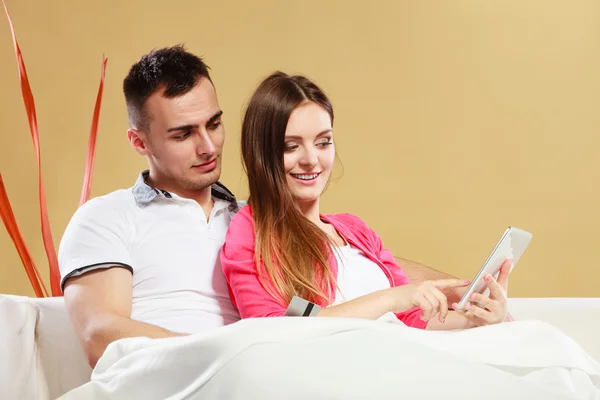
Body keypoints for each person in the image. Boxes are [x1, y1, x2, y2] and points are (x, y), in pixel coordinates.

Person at [59, 45, 468, 369]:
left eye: (214, 124)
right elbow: (100, 334)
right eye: (183, 134)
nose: (207, 146)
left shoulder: (254, 217)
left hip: (264, 367)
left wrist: (460, 290)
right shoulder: (106, 217)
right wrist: (232, 350)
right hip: (182, 372)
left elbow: (357, 263)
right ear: (139, 142)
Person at [221, 72, 511, 330]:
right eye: (290, 146)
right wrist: (392, 298)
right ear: (262, 153)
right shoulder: (252, 231)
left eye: (323, 142)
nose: (311, 160)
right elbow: (275, 325)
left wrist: (477, 318)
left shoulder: (355, 230)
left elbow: (410, 319)